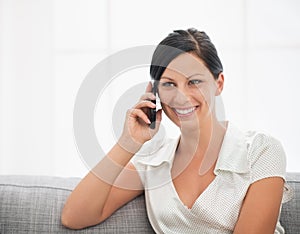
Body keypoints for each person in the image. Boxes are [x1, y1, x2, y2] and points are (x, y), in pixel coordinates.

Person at [61, 28, 290, 233]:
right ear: (155, 92)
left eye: (194, 82)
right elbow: (74, 216)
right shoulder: (153, 161)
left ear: (218, 83)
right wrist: (128, 143)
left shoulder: (261, 151)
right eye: (169, 84)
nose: (181, 97)